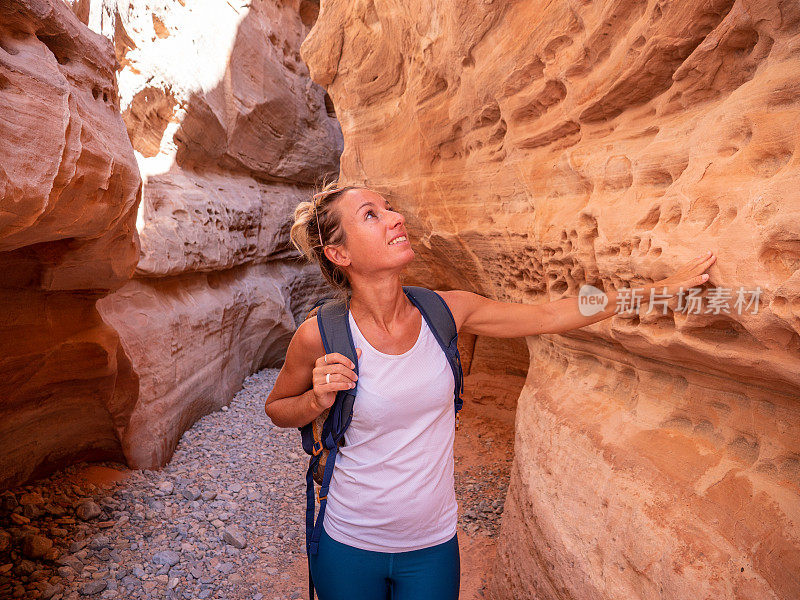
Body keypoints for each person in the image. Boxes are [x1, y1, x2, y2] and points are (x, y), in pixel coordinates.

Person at [264, 179, 716, 600]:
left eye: (390, 208)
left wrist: (658, 290)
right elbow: (277, 408)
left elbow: (552, 314)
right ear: (339, 255)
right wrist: (315, 399)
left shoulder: (447, 311)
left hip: (431, 546)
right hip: (349, 542)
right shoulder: (319, 335)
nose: (395, 218)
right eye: (371, 215)